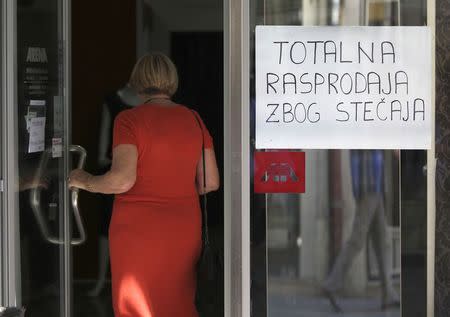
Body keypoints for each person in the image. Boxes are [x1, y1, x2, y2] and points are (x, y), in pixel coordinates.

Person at [68, 52, 220, 317]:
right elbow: (210, 183)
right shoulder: (194, 119)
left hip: (138, 231)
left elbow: (121, 180)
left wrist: (85, 180)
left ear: (136, 81)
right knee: (178, 303)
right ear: (172, 81)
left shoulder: (129, 120)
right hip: (184, 227)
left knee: (136, 306)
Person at [322, 150, 400, 312]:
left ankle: (389, 295)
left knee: (382, 242)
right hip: (369, 186)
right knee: (357, 241)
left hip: (373, 187)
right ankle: (332, 283)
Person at [88, 85, 140, 297]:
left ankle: (130, 282)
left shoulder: (149, 105)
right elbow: (104, 140)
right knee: (107, 226)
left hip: (139, 175)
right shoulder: (113, 101)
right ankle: (103, 279)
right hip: (114, 169)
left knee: (136, 229)